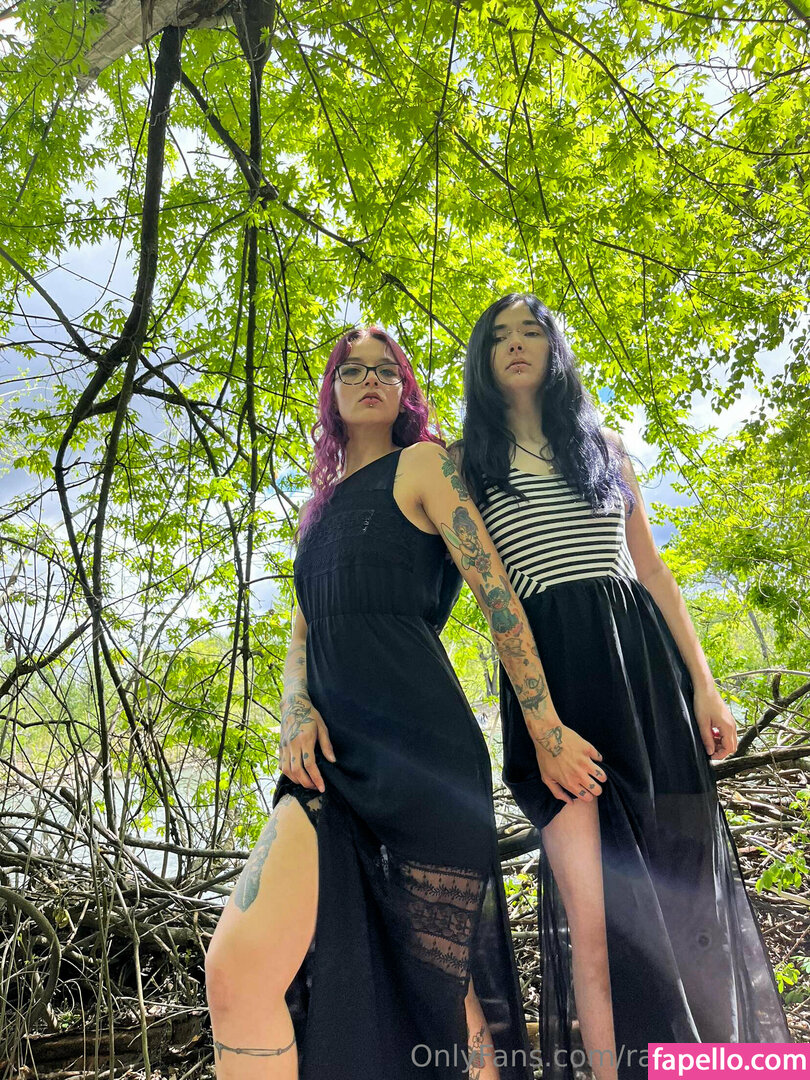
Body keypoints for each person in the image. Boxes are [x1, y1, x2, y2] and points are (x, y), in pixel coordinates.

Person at [203, 325, 578, 1079]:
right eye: (352, 369)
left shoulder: (424, 465)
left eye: (386, 369)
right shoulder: (315, 513)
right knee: (235, 970)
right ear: (332, 394)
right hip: (328, 768)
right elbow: (303, 629)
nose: (370, 378)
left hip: (422, 763)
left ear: (404, 391)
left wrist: (546, 729)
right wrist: (294, 707)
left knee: (443, 1001)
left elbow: (498, 599)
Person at [454, 293, 791, 1080]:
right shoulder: (465, 462)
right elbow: (492, 599)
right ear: (483, 359)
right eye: (499, 336)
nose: (516, 344)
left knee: (681, 904)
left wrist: (706, 687)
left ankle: (703, 1066)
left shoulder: (603, 447)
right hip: (555, 695)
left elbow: (654, 571)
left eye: (532, 331)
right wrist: (545, 729)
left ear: (555, 349)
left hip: (645, 685)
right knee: (595, 926)